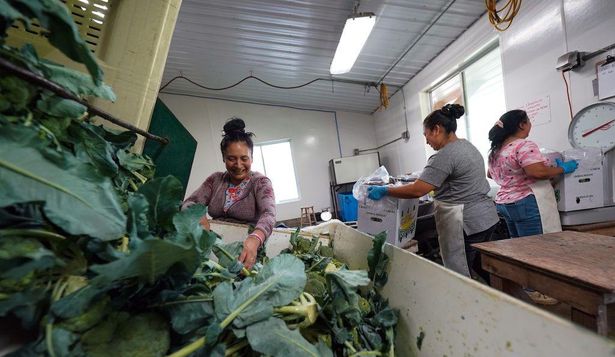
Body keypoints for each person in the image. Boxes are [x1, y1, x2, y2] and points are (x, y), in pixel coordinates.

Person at [368, 104, 499, 281]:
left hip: (465, 223)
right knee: (483, 269)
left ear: (436, 129)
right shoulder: (469, 147)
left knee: (461, 274)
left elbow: (418, 190)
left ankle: (466, 305)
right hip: (487, 218)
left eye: (426, 135)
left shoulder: (445, 155)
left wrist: (385, 190)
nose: (427, 141)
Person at [487, 109, 578, 304]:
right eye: (528, 121)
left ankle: (525, 285)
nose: (530, 125)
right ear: (521, 124)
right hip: (526, 202)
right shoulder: (524, 145)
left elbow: (490, 174)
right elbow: (536, 171)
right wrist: (562, 168)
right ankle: (536, 290)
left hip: (505, 203)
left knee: (520, 247)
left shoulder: (497, 150)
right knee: (537, 249)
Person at [182, 118, 276, 269]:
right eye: (231, 159)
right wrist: (198, 215)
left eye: (244, 158)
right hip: (213, 251)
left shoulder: (261, 183)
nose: (238, 165)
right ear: (224, 158)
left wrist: (255, 238)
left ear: (252, 157)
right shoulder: (215, 180)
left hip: (246, 253)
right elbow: (189, 203)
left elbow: (269, 214)